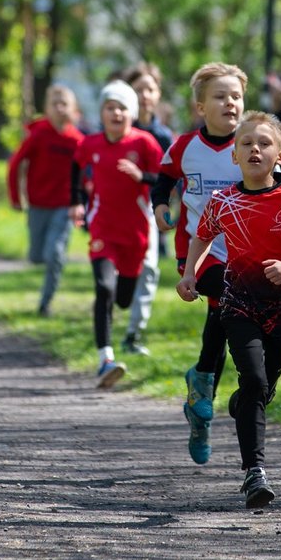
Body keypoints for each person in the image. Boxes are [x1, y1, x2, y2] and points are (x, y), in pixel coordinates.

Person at [178, 112, 281, 508]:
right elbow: (202, 236)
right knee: (252, 377)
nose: (255, 149)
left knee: (260, 388)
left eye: (264, 143)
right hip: (238, 304)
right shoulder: (222, 200)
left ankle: (248, 401)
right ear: (234, 156)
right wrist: (190, 274)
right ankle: (254, 473)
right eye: (246, 143)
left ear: (280, 155)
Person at [150, 62, 247, 464]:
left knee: (224, 320)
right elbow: (164, 178)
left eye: (237, 96)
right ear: (200, 107)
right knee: (222, 303)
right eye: (220, 97)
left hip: (244, 251)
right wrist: (160, 207)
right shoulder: (185, 145)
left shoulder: (252, 144)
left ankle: (201, 396)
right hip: (198, 251)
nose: (230, 103)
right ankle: (203, 388)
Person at [71, 79, 162, 388]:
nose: (116, 113)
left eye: (122, 107)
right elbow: (76, 169)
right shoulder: (90, 143)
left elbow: (165, 179)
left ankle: (114, 336)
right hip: (102, 230)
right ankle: (105, 358)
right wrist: (76, 203)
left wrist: (142, 176)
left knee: (123, 298)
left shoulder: (145, 143)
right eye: (110, 107)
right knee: (103, 288)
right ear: (102, 112)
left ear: (131, 113)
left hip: (135, 234)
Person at [7, 84, 84, 317]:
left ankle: (45, 303)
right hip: (37, 205)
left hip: (64, 206)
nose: (60, 109)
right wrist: (15, 196)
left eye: (65, 105)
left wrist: (81, 202)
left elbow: (87, 173)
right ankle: (44, 268)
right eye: (55, 104)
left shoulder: (77, 140)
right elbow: (15, 164)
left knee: (55, 254)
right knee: (37, 256)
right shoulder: (38, 135)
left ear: (73, 110)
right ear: (47, 109)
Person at [119, 62, 175, 356]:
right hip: (117, 213)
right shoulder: (118, 130)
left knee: (149, 269)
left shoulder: (164, 136)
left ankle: (133, 334)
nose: (144, 95)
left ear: (158, 94)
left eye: (150, 89)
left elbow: (171, 179)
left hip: (149, 212)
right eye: (138, 89)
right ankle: (113, 315)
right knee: (120, 275)